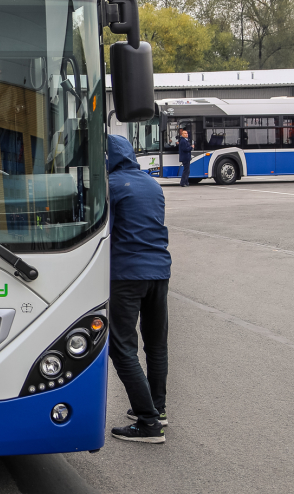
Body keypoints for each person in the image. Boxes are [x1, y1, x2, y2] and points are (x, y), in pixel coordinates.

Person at [107, 134, 171, 444]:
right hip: (159, 272)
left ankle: (148, 424)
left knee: (121, 348)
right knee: (155, 345)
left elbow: (104, 232)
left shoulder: (111, 186)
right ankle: (157, 409)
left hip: (126, 275)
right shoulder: (152, 184)